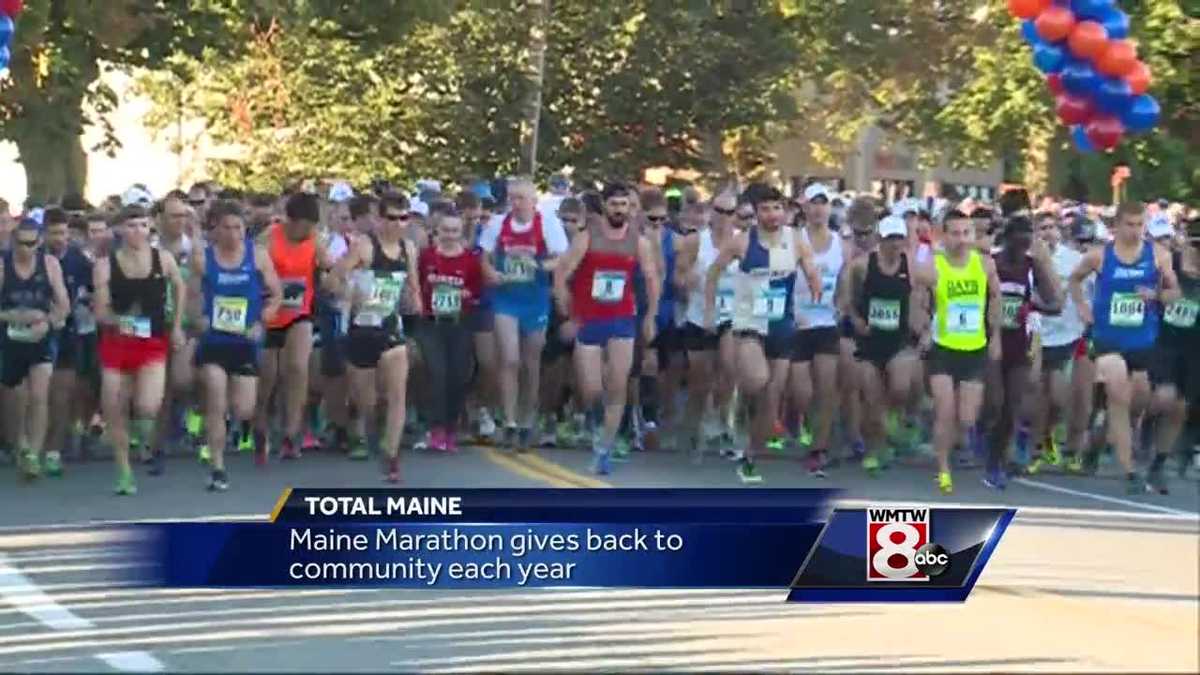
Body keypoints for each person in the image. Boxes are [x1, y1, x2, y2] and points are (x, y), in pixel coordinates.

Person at [704, 186, 821, 484]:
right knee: (757, 380)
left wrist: (814, 286)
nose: (773, 215)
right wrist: (709, 311)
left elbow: (809, 268)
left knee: (772, 398)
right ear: (756, 214)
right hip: (749, 324)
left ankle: (750, 456)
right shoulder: (741, 243)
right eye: (766, 209)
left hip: (782, 326)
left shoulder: (796, 241)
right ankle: (740, 406)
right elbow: (713, 273)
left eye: (777, 209)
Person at [1069, 201, 1179, 494]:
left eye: (1139, 225)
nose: (1134, 231)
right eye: (1129, 225)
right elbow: (1074, 280)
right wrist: (1082, 307)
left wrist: (1155, 294)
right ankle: (1130, 470)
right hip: (1107, 339)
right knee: (1118, 392)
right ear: (1116, 225)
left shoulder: (1158, 255)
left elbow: (1174, 293)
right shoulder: (1099, 256)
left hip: (1144, 341)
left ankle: (1096, 443)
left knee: (1135, 403)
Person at [554, 182, 661, 475]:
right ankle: (596, 421)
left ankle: (605, 448)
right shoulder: (587, 237)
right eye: (614, 204)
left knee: (617, 384)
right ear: (604, 206)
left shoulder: (638, 242)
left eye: (624, 205)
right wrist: (567, 313)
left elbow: (652, 279)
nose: (619, 210)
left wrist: (650, 316)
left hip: (622, 319)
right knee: (591, 389)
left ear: (630, 208)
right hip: (588, 319)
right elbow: (562, 273)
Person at [188, 200, 281, 491]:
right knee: (216, 396)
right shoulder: (203, 259)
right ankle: (217, 466)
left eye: (238, 227)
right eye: (227, 228)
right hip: (214, 340)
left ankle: (220, 425)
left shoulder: (258, 256)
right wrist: (198, 319)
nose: (233, 234)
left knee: (242, 409)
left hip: (244, 341)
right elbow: (190, 298)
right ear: (214, 230)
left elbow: (276, 294)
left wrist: (262, 321)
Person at [93, 205, 187, 495]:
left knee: (148, 406)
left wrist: (177, 325)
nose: (138, 232)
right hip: (117, 343)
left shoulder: (164, 259)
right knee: (114, 406)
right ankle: (123, 471)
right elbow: (101, 312)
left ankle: (139, 434)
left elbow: (180, 287)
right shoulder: (106, 264)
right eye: (132, 226)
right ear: (120, 229)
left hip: (152, 342)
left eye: (144, 226)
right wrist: (122, 322)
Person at [911, 207, 1003, 494]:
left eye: (966, 233)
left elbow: (996, 297)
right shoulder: (933, 267)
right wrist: (924, 330)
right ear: (943, 236)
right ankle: (943, 468)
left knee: (967, 417)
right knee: (945, 410)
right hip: (943, 347)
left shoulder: (985, 264)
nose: (961, 239)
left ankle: (941, 434)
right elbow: (917, 300)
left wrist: (995, 335)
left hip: (974, 347)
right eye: (955, 233)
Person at [333, 193, 421, 480]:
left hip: (389, 327)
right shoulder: (365, 247)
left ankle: (392, 455)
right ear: (380, 219)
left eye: (403, 218)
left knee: (398, 394)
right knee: (368, 402)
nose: (398, 224)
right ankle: (364, 424)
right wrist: (350, 292)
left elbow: (413, 288)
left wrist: (413, 302)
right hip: (361, 329)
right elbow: (333, 278)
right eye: (392, 218)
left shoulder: (409, 249)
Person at [480, 178, 568, 450]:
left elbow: (562, 259)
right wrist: (491, 273)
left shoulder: (548, 224)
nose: (515, 204)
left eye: (521, 198)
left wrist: (540, 265)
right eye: (512, 198)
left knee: (531, 363)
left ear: (533, 201)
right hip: (506, 299)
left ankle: (527, 419)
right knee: (509, 359)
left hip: (536, 300)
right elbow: (482, 256)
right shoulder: (498, 223)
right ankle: (509, 421)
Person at [981, 215, 1060, 489]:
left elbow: (1056, 304)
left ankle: (997, 459)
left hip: (1019, 341)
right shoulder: (991, 262)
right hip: (991, 339)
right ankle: (985, 437)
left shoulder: (1032, 266)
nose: (1024, 244)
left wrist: (1034, 305)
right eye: (1020, 238)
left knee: (1012, 404)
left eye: (1029, 238)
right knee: (995, 401)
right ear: (1008, 237)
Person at [254, 192, 333, 462]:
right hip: (269, 313)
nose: (308, 231)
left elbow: (330, 267)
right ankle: (260, 424)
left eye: (313, 225)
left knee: (298, 367)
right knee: (267, 376)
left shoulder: (315, 240)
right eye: (304, 225)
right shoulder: (269, 238)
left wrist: (330, 274)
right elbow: (252, 270)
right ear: (291, 220)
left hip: (299, 312)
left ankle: (291, 432)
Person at [842, 214, 920, 475]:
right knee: (872, 400)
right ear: (879, 239)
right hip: (869, 342)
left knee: (899, 388)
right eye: (889, 239)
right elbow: (847, 301)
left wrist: (924, 323)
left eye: (899, 238)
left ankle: (894, 420)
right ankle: (876, 449)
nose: (895, 244)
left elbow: (930, 294)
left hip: (898, 340)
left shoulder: (912, 267)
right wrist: (856, 320)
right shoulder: (862, 266)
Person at [791, 183, 853, 477]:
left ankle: (819, 447)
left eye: (823, 203)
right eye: (813, 204)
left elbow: (846, 282)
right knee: (802, 392)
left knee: (826, 389)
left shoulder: (842, 244)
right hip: (796, 323)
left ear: (830, 208)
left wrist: (842, 304)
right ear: (804, 207)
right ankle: (799, 423)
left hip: (827, 324)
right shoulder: (793, 239)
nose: (818, 209)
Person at [417, 207, 491, 452]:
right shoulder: (426, 257)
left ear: (462, 232)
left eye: (455, 230)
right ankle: (435, 428)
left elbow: (478, 291)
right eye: (445, 230)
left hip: (460, 322)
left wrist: (466, 294)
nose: (450, 235)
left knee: (458, 375)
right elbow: (415, 285)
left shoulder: (470, 259)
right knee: (437, 372)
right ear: (437, 231)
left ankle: (450, 428)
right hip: (431, 323)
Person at [0, 219, 70, 479]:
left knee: (40, 394)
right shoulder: (4, 265)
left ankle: (34, 454)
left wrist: (47, 322)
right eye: (21, 243)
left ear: (39, 242)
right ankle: (19, 444)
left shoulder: (49, 265)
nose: (26, 249)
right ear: (12, 241)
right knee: (16, 399)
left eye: (31, 243)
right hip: (9, 339)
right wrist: (16, 316)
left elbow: (64, 304)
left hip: (40, 338)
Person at [677, 194, 740, 457]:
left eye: (729, 212)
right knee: (700, 381)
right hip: (699, 316)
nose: (724, 217)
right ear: (711, 212)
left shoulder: (742, 241)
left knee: (729, 368)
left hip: (731, 316)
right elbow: (678, 277)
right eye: (719, 211)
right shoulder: (695, 241)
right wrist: (686, 280)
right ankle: (691, 429)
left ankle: (722, 423)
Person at [1028, 212, 1091, 475]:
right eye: (1042, 228)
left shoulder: (1075, 260)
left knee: (1061, 394)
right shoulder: (1028, 260)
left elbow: (1088, 292)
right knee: (1039, 396)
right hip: (1039, 335)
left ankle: (1059, 440)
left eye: (1052, 227)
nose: (1048, 232)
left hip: (1070, 334)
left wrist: (1085, 313)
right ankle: (1039, 445)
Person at [44, 209, 95, 472]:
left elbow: (95, 290)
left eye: (63, 232)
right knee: (41, 393)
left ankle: (55, 448)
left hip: (70, 332)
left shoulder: (78, 260)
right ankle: (34, 443)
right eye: (54, 233)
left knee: (64, 392)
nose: (60, 238)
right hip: (36, 334)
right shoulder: (33, 257)